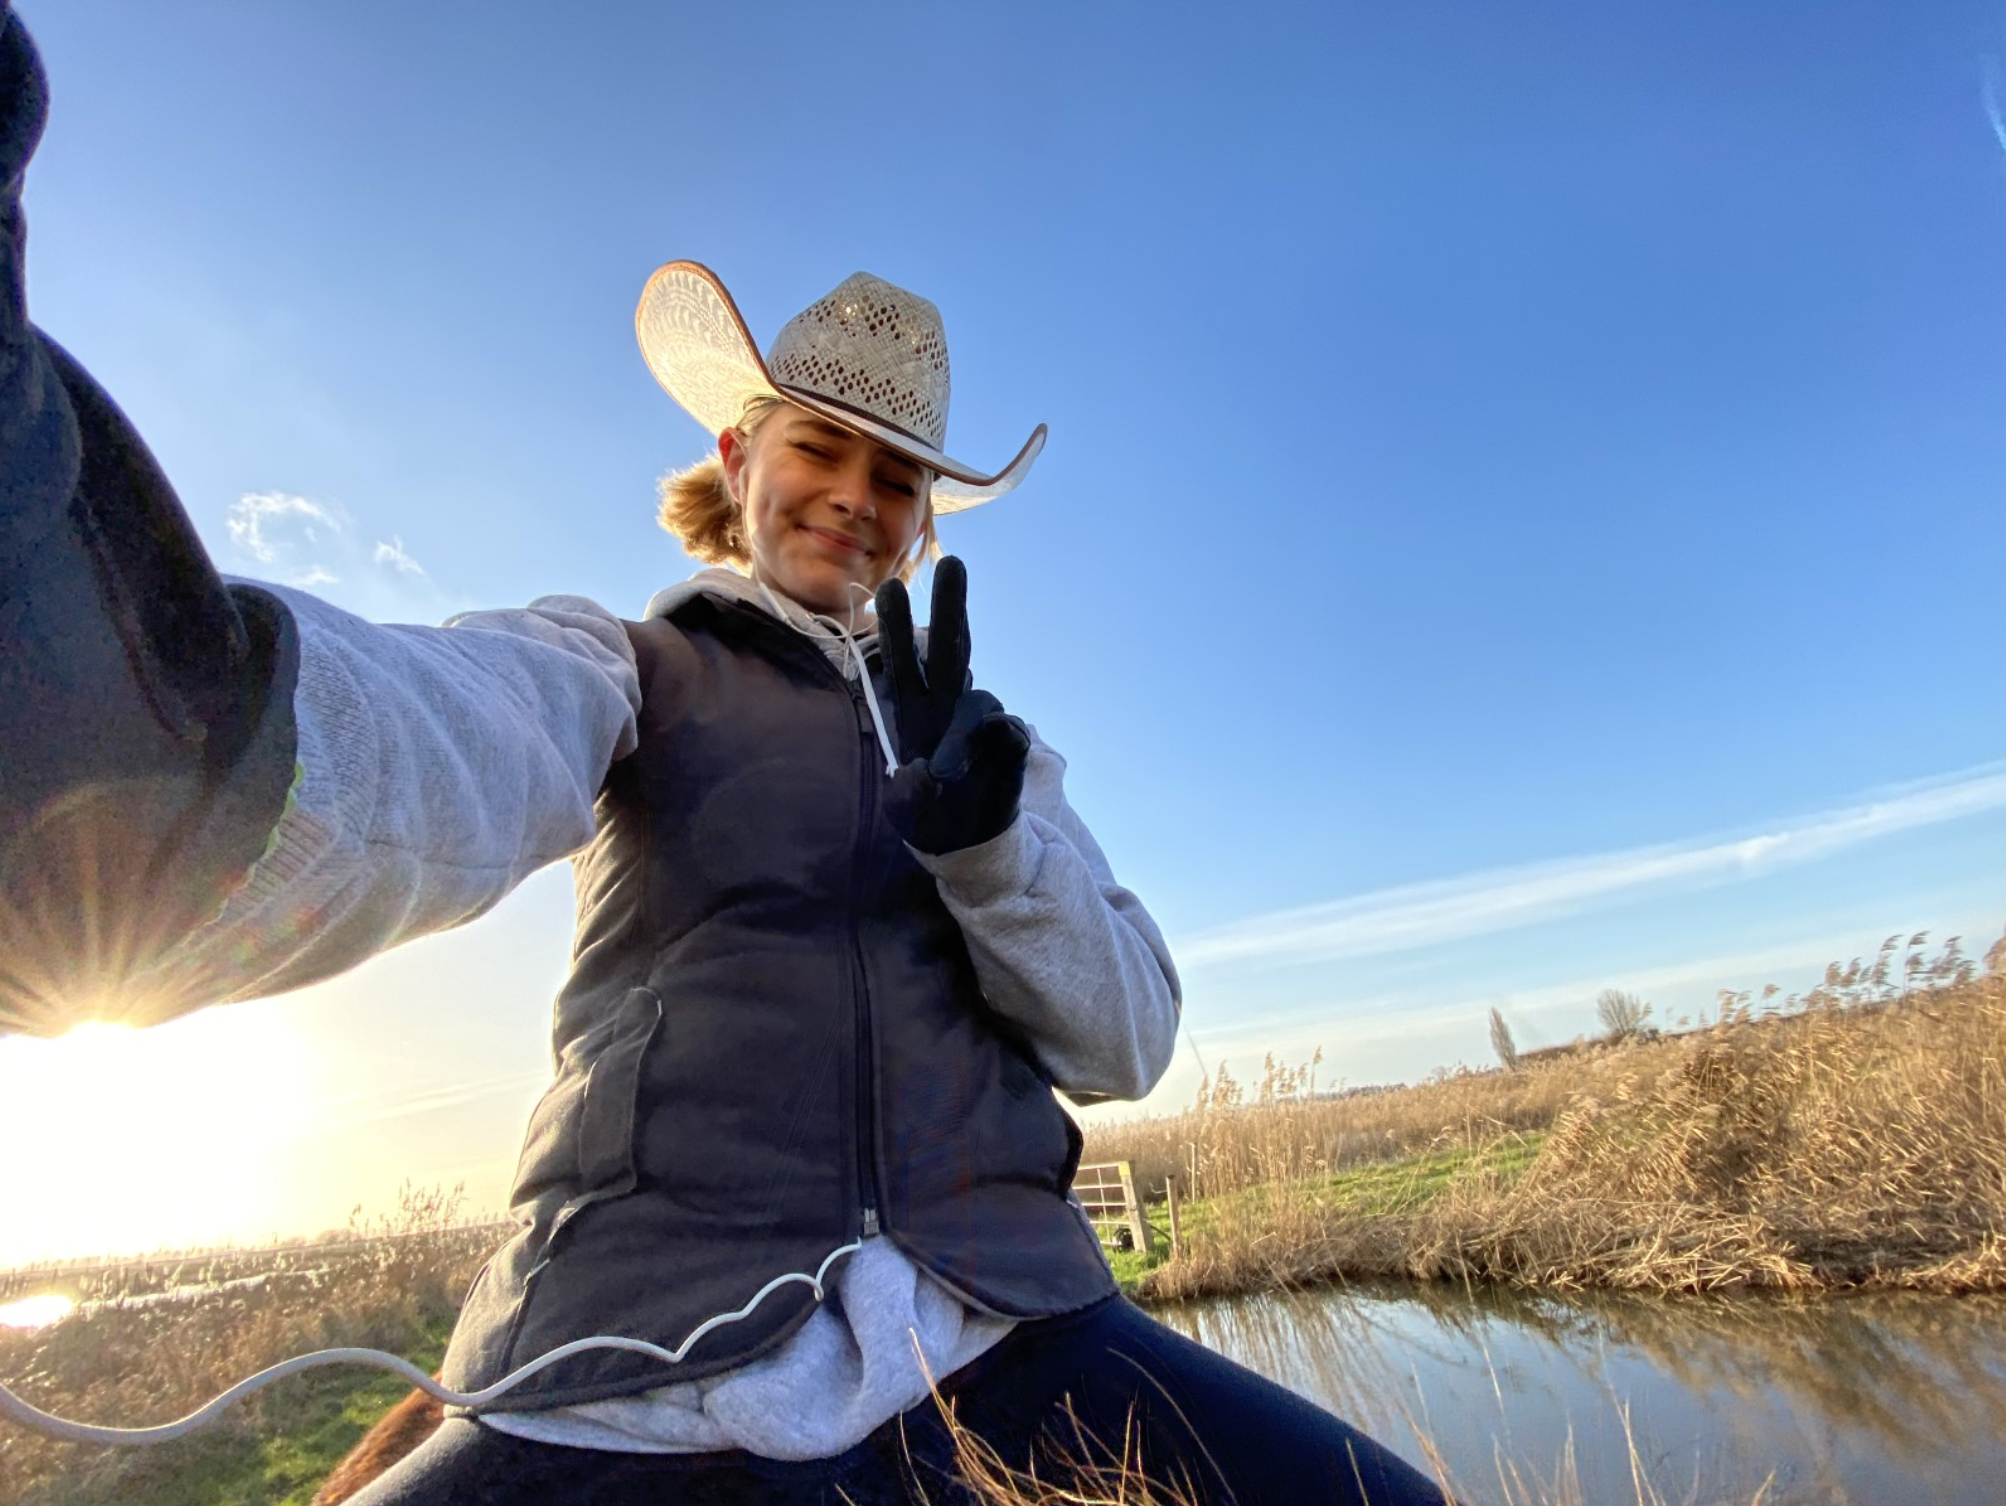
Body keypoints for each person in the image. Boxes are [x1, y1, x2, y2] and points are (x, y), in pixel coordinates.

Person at [0, 11, 1451, 1503]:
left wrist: (991, 847)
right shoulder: (617, 668)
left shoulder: (995, 748)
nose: (853, 498)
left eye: (896, 479)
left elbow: (1126, 1039)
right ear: (737, 460)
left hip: (1008, 1324)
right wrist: (183, 738)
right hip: (635, 1362)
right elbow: (439, 737)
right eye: (816, 448)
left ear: (923, 523)